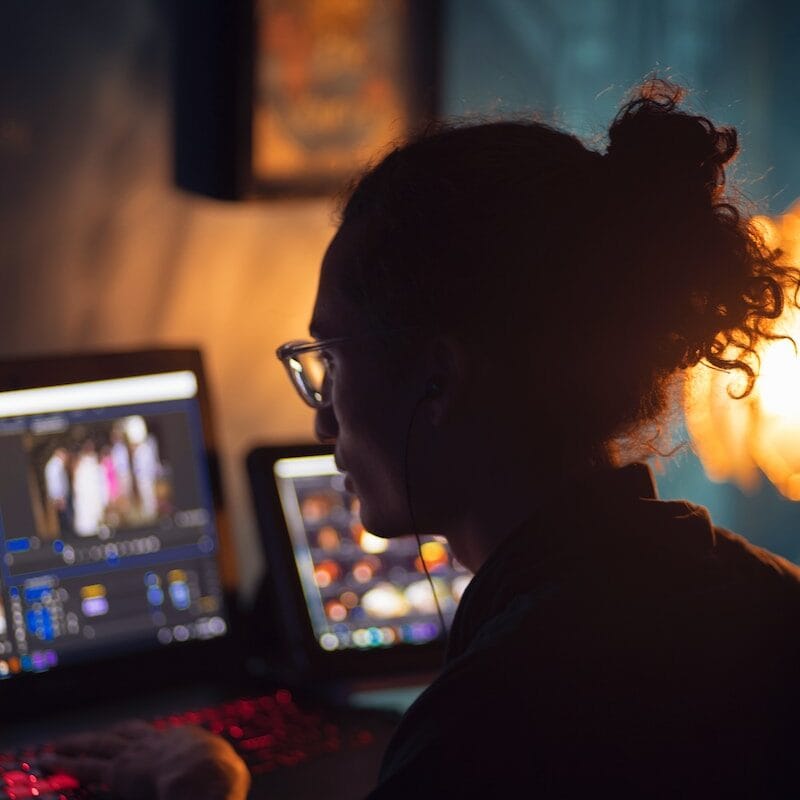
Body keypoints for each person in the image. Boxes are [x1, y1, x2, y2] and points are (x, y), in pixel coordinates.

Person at [46, 80, 800, 797]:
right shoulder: (766, 594)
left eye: (332, 360)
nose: (322, 420)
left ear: (438, 378)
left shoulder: (501, 712)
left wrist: (205, 787)